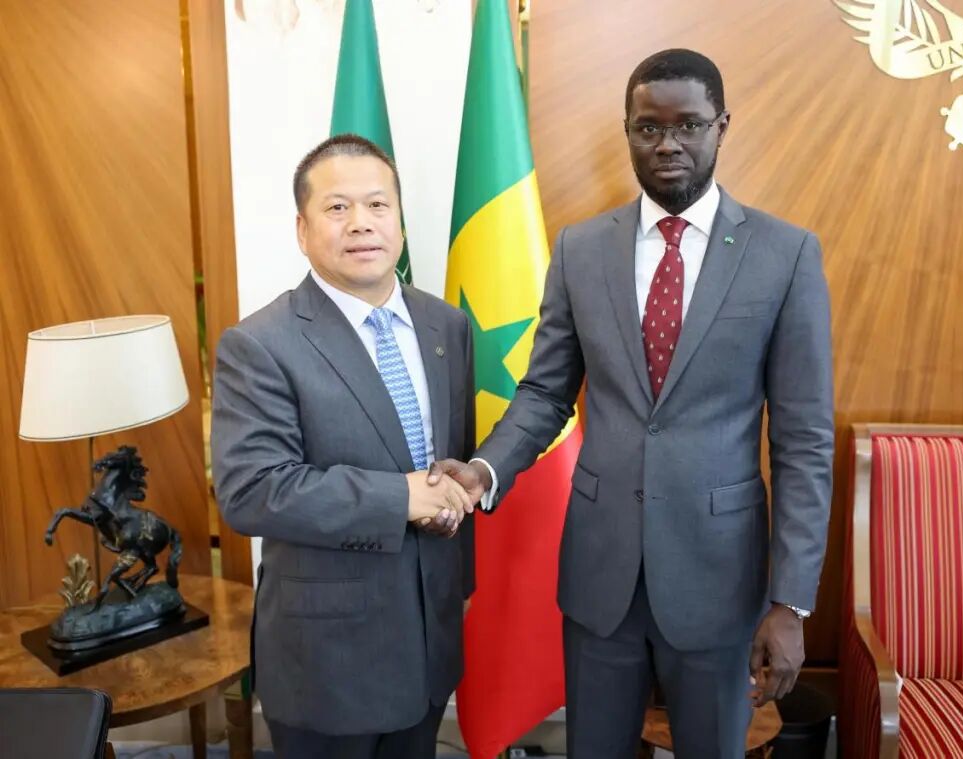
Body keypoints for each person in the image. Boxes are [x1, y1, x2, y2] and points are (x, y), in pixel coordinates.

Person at [434, 49, 834, 757]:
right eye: (649, 128)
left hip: (719, 575)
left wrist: (791, 600)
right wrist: (485, 470)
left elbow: (802, 440)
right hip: (601, 571)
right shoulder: (581, 249)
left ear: (721, 127)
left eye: (688, 125)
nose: (668, 144)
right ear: (628, 131)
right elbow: (545, 391)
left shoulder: (785, 254)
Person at [211, 133, 476, 758]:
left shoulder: (446, 324)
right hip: (328, 659)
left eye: (378, 205)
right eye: (337, 208)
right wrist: (400, 498)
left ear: (400, 223)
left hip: (430, 636)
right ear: (302, 230)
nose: (361, 222)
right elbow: (251, 491)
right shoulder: (260, 344)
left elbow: (448, 457)